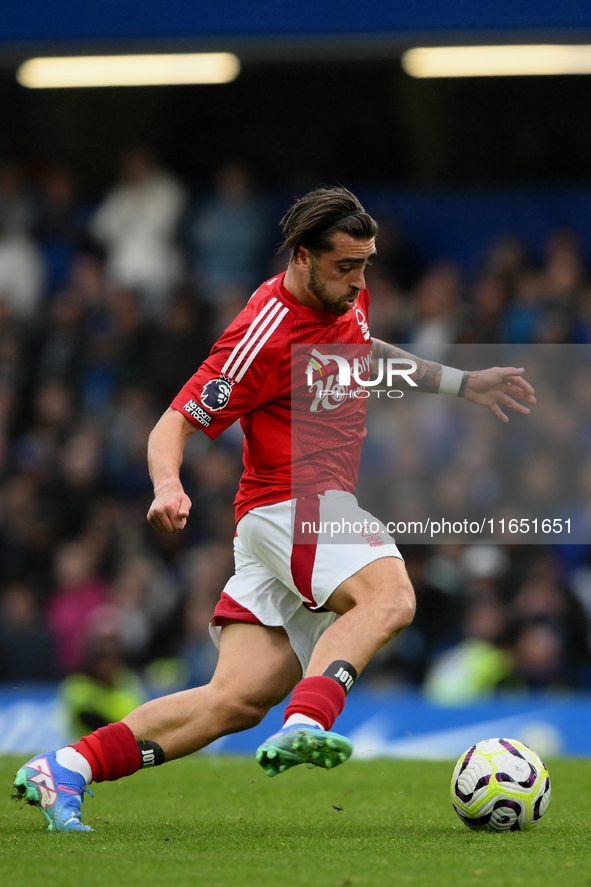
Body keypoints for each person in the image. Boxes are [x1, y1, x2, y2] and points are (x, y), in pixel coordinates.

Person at [13, 186, 536, 832]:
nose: (358, 280)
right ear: (301, 256)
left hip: (284, 520)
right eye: (345, 266)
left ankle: (67, 766)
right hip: (293, 505)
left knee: (230, 699)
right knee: (390, 597)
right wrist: (167, 485)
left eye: (365, 264)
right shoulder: (262, 331)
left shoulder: (346, 293)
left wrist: (459, 382)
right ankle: (308, 720)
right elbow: (173, 421)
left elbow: (362, 355)